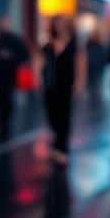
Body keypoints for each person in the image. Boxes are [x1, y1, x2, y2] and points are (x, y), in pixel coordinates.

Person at [41, 16, 77, 165]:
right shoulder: (48, 43)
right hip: (50, 83)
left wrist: (79, 81)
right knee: (52, 114)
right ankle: (57, 141)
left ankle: (62, 148)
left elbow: (80, 60)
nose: (59, 27)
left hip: (66, 83)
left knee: (64, 115)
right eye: (56, 24)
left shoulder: (72, 42)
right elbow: (41, 60)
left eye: (61, 24)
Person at [0, 16, 29, 141]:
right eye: (1, 23)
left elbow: (24, 55)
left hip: (11, 74)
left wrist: (11, 56)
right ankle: (2, 126)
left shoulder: (15, 39)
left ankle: (7, 124)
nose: (3, 25)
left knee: (8, 100)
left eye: (5, 23)